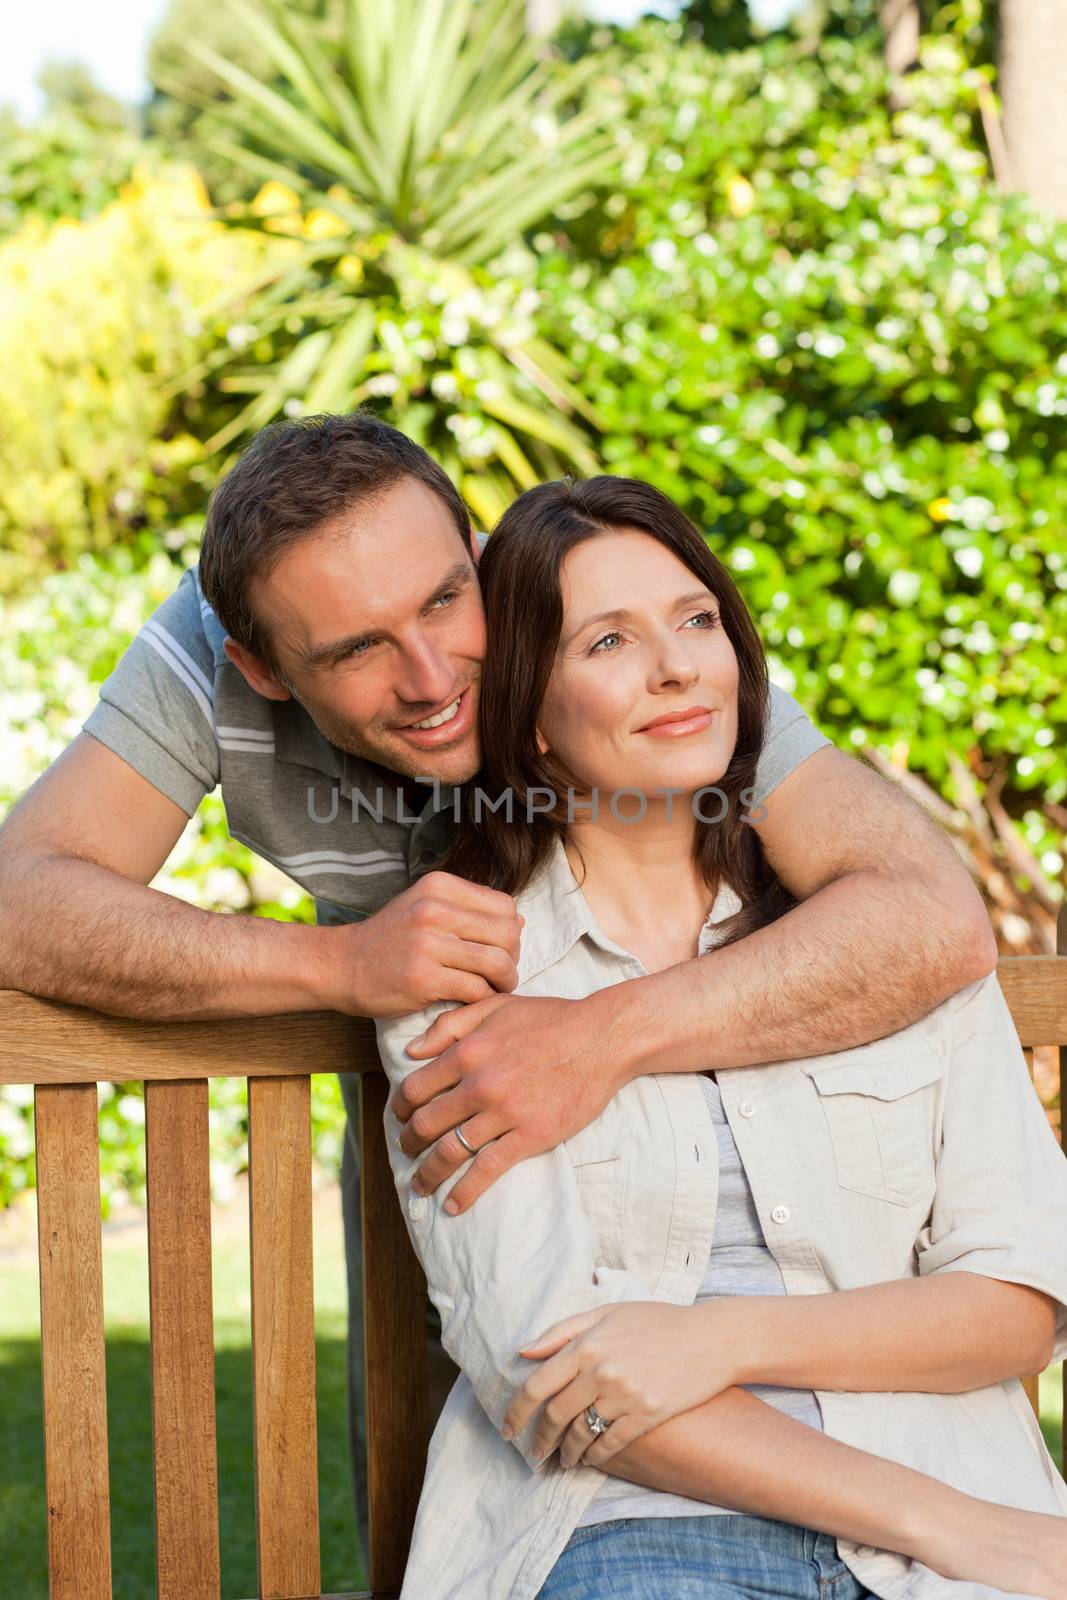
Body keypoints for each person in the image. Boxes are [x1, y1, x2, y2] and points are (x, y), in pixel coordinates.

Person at [0, 415, 997, 1569]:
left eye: (441, 602)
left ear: (473, 549)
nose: (432, 684)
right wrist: (338, 964)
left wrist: (601, 1039)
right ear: (262, 666)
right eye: (355, 650)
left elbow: (928, 912)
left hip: (690, 1066)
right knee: (454, 1444)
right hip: (446, 1078)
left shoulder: (586, 611)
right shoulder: (211, 638)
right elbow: (23, 898)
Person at [374, 474, 1067, 1600]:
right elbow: (557, 1380)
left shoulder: (876, 934)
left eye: (696, 620)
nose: (677, 666)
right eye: (608, 640)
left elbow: (1018, 1301)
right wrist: (951, 1528)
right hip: (640, 1529)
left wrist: (717, 1339)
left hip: (955, 1522)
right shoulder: (462, 977)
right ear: (530, 721)